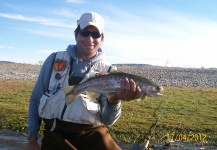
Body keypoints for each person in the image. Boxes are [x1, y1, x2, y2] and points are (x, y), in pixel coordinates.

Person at [27, 12, 142, 150]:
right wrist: (32, 139)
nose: (90, 38)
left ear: (102, 38)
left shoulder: (109, 71)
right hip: (56, 133)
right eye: (85, 33)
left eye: (95, 34)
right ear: (76, 35)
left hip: (93, 133)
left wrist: (115, 100)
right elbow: (36, 99)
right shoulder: (54, 59)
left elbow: (108, 121)